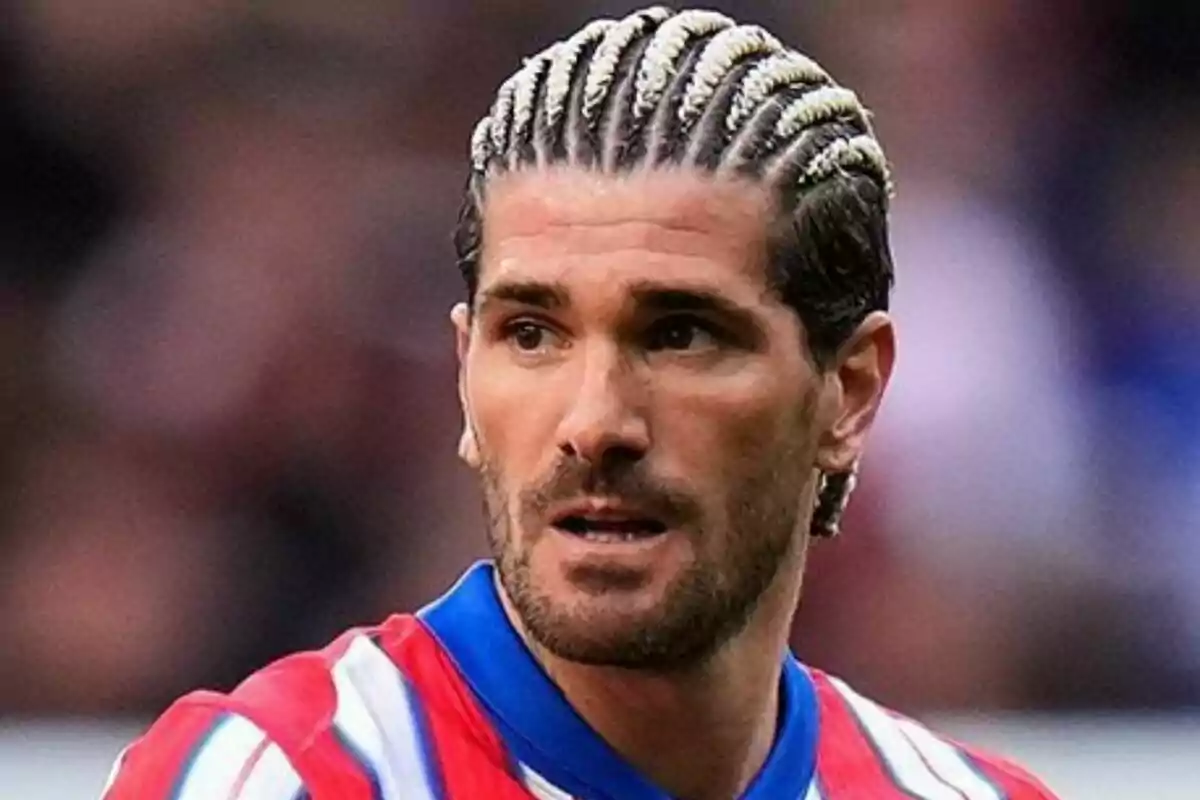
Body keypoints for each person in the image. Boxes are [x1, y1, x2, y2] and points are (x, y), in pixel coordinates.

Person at [101, 7, 1059, 799]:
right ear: (464, 373)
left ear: (847, 393)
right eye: (531, 334)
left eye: (681, 334)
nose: (595, 421)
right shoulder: (270, 781)